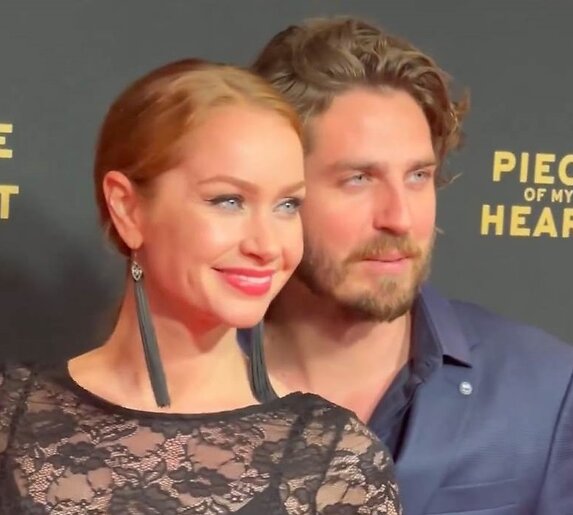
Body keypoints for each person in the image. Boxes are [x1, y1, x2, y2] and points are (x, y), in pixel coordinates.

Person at [0, 59, 401, 514]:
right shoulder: (12, 419)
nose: (267, 245)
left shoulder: (334, 463)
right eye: (228, 201)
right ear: (128, 209)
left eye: (288, 205)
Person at [247, 17, 573, 514]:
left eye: (418, 176)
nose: (399, 217)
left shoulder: (544, 391)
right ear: (278, 193)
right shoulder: (179, 387)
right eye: (359, 178)